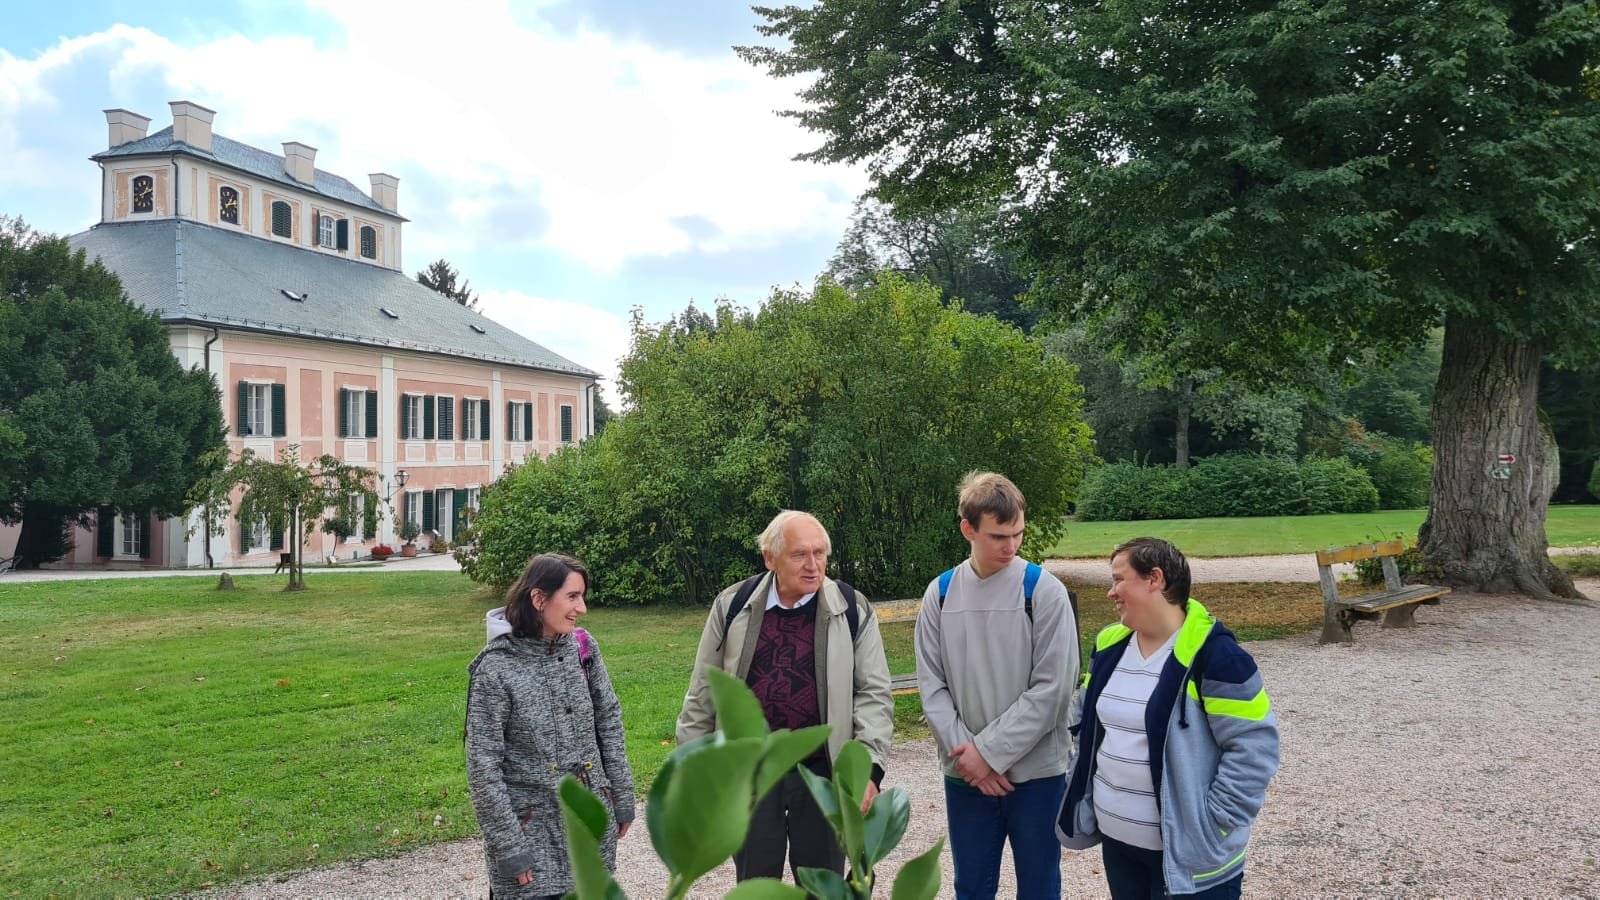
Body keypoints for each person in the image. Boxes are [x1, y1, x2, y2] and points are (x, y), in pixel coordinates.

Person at [677, 510, 894, 882]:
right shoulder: (733, 605)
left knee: (823, 886)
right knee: (756, 884)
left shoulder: (851, 608)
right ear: (770, 558)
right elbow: (703, 692)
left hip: (823, 773)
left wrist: (869, 770)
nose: (813, 565)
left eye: (820, 553)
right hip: (753, 774)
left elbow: (873, 694)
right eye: (799, 554)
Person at [1057, 537, 1280, 899]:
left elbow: (1255, 747)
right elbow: (1086, 724)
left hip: (1191, 861)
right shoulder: (1109, 645)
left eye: (1118, 580)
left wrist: (1213, 824)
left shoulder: (1218, 656)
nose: (1111, 592)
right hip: (1118, 846)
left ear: (1154, 578)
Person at [915, 471, 1079, 900]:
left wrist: (987, 754)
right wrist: (970, 758)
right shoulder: (941, 594)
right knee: (971, 887)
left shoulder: (1044, 592)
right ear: (967, 530)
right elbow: (932, 686)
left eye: (1018, 534)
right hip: (966, 776)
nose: (1012, 546)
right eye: (998, 536)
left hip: (1037, 777)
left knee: (1040, 889)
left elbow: (1053, 691)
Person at [466, 553, 636, 899]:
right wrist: (509, 846)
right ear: (539, 598)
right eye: (572, 596)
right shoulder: (495, 669)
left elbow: (609, 719)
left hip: (588, 824)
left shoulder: (583, 649)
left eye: (582, 596)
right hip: (530, 837)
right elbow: (483, 766)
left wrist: (620, 793)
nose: (582, 608)